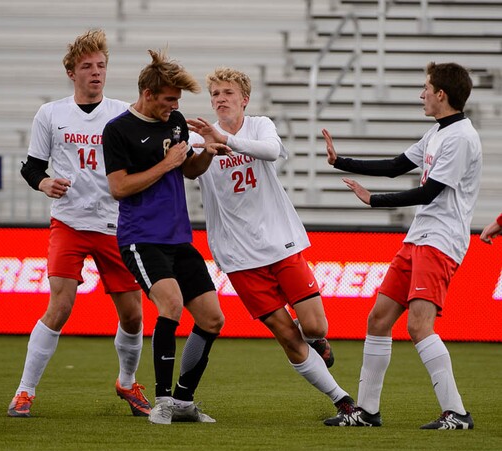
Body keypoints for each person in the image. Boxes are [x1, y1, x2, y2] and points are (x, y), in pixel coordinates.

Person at [186, 67, 355, 423]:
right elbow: (191, 171)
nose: (220, 99)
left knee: (314, 328)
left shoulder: (260, 125)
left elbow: (272, 151)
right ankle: (342, 400)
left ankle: (319, 342)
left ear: (244, 99)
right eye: (215, 94)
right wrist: (208, 146)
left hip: (281, 241)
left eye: (228, 93)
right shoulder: (198, 137)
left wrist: (226, 140)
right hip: (238, 255)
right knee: (286, 335)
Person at [321, 62, 480, 430]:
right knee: (377, 319)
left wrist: (373, 200)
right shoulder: (438, 132)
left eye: (425, 87)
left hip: (441, 240)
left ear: (442, 93)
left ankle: (456, 413)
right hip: (419, 236)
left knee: (419, 326)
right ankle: (368, 412)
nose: (421, 94)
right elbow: (396, 165)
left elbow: (428, 191)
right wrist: (340, 161)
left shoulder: (461, 137)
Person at [8, 29, 149, 418]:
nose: (96, 72)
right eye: (87, 66)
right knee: (60, 304)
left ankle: (126, 381)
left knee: (134, 314)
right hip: (69, 222)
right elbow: (32, 166)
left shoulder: (124, 114)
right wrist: (44, 182)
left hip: (115, 224)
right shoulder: (51, 114)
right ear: (71, 72)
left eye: (101, 65)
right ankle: (25, 391)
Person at [103, 49, 225, 425]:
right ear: (147, 92)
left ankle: (185, 401)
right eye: (169, 99)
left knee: (212, 318)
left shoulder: (176, 125)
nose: (174, 106)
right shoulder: (118, 129)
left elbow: (187, 171)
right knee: (170, 305)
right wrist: (166, 163)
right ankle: (162, 399)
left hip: (178, 237)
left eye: (177, 100)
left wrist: (207, 155)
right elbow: (119, 187)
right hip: (140, 238)